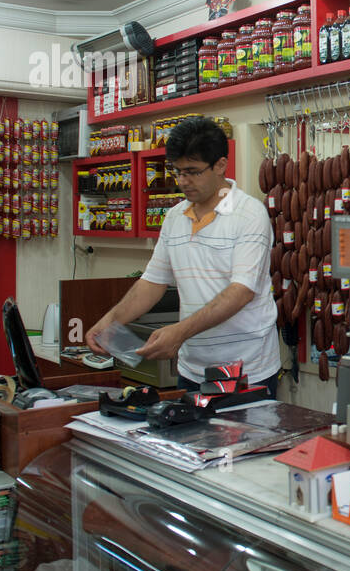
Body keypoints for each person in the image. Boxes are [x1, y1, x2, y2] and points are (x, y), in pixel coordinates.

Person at [87, 116, 281, 399]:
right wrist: (111, 320)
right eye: (177, 171)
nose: (183, 181)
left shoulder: (250, 215)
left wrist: (180, 332)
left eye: (192, 171)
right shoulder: (174, 217)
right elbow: (152, 282)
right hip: (192, 370)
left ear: (220, 165)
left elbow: (241, 292)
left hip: (245, 370)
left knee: (242, 443)